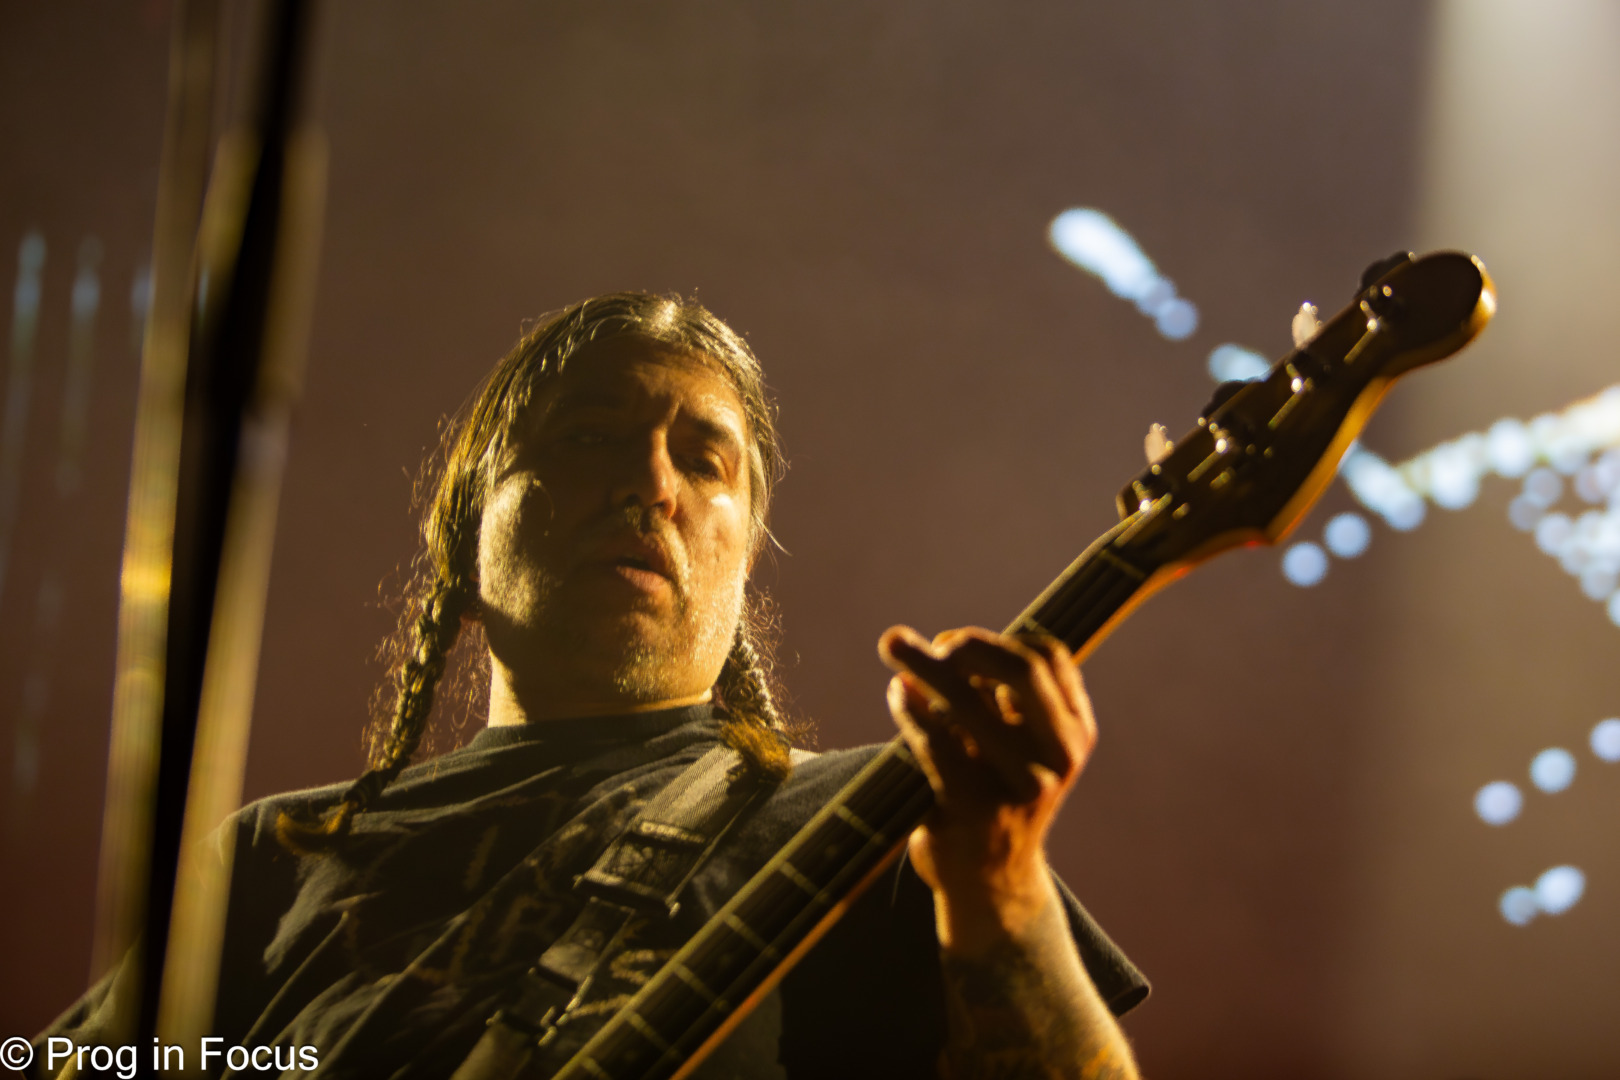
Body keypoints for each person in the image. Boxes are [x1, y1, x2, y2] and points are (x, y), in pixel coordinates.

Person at [36, 293, 1147, 1079]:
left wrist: (1001, 887)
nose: (651, 482)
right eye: (590, 436)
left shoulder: (885, 823)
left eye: (704, 459)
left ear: (747, 558)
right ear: (467, 531)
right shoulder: (274, 857)